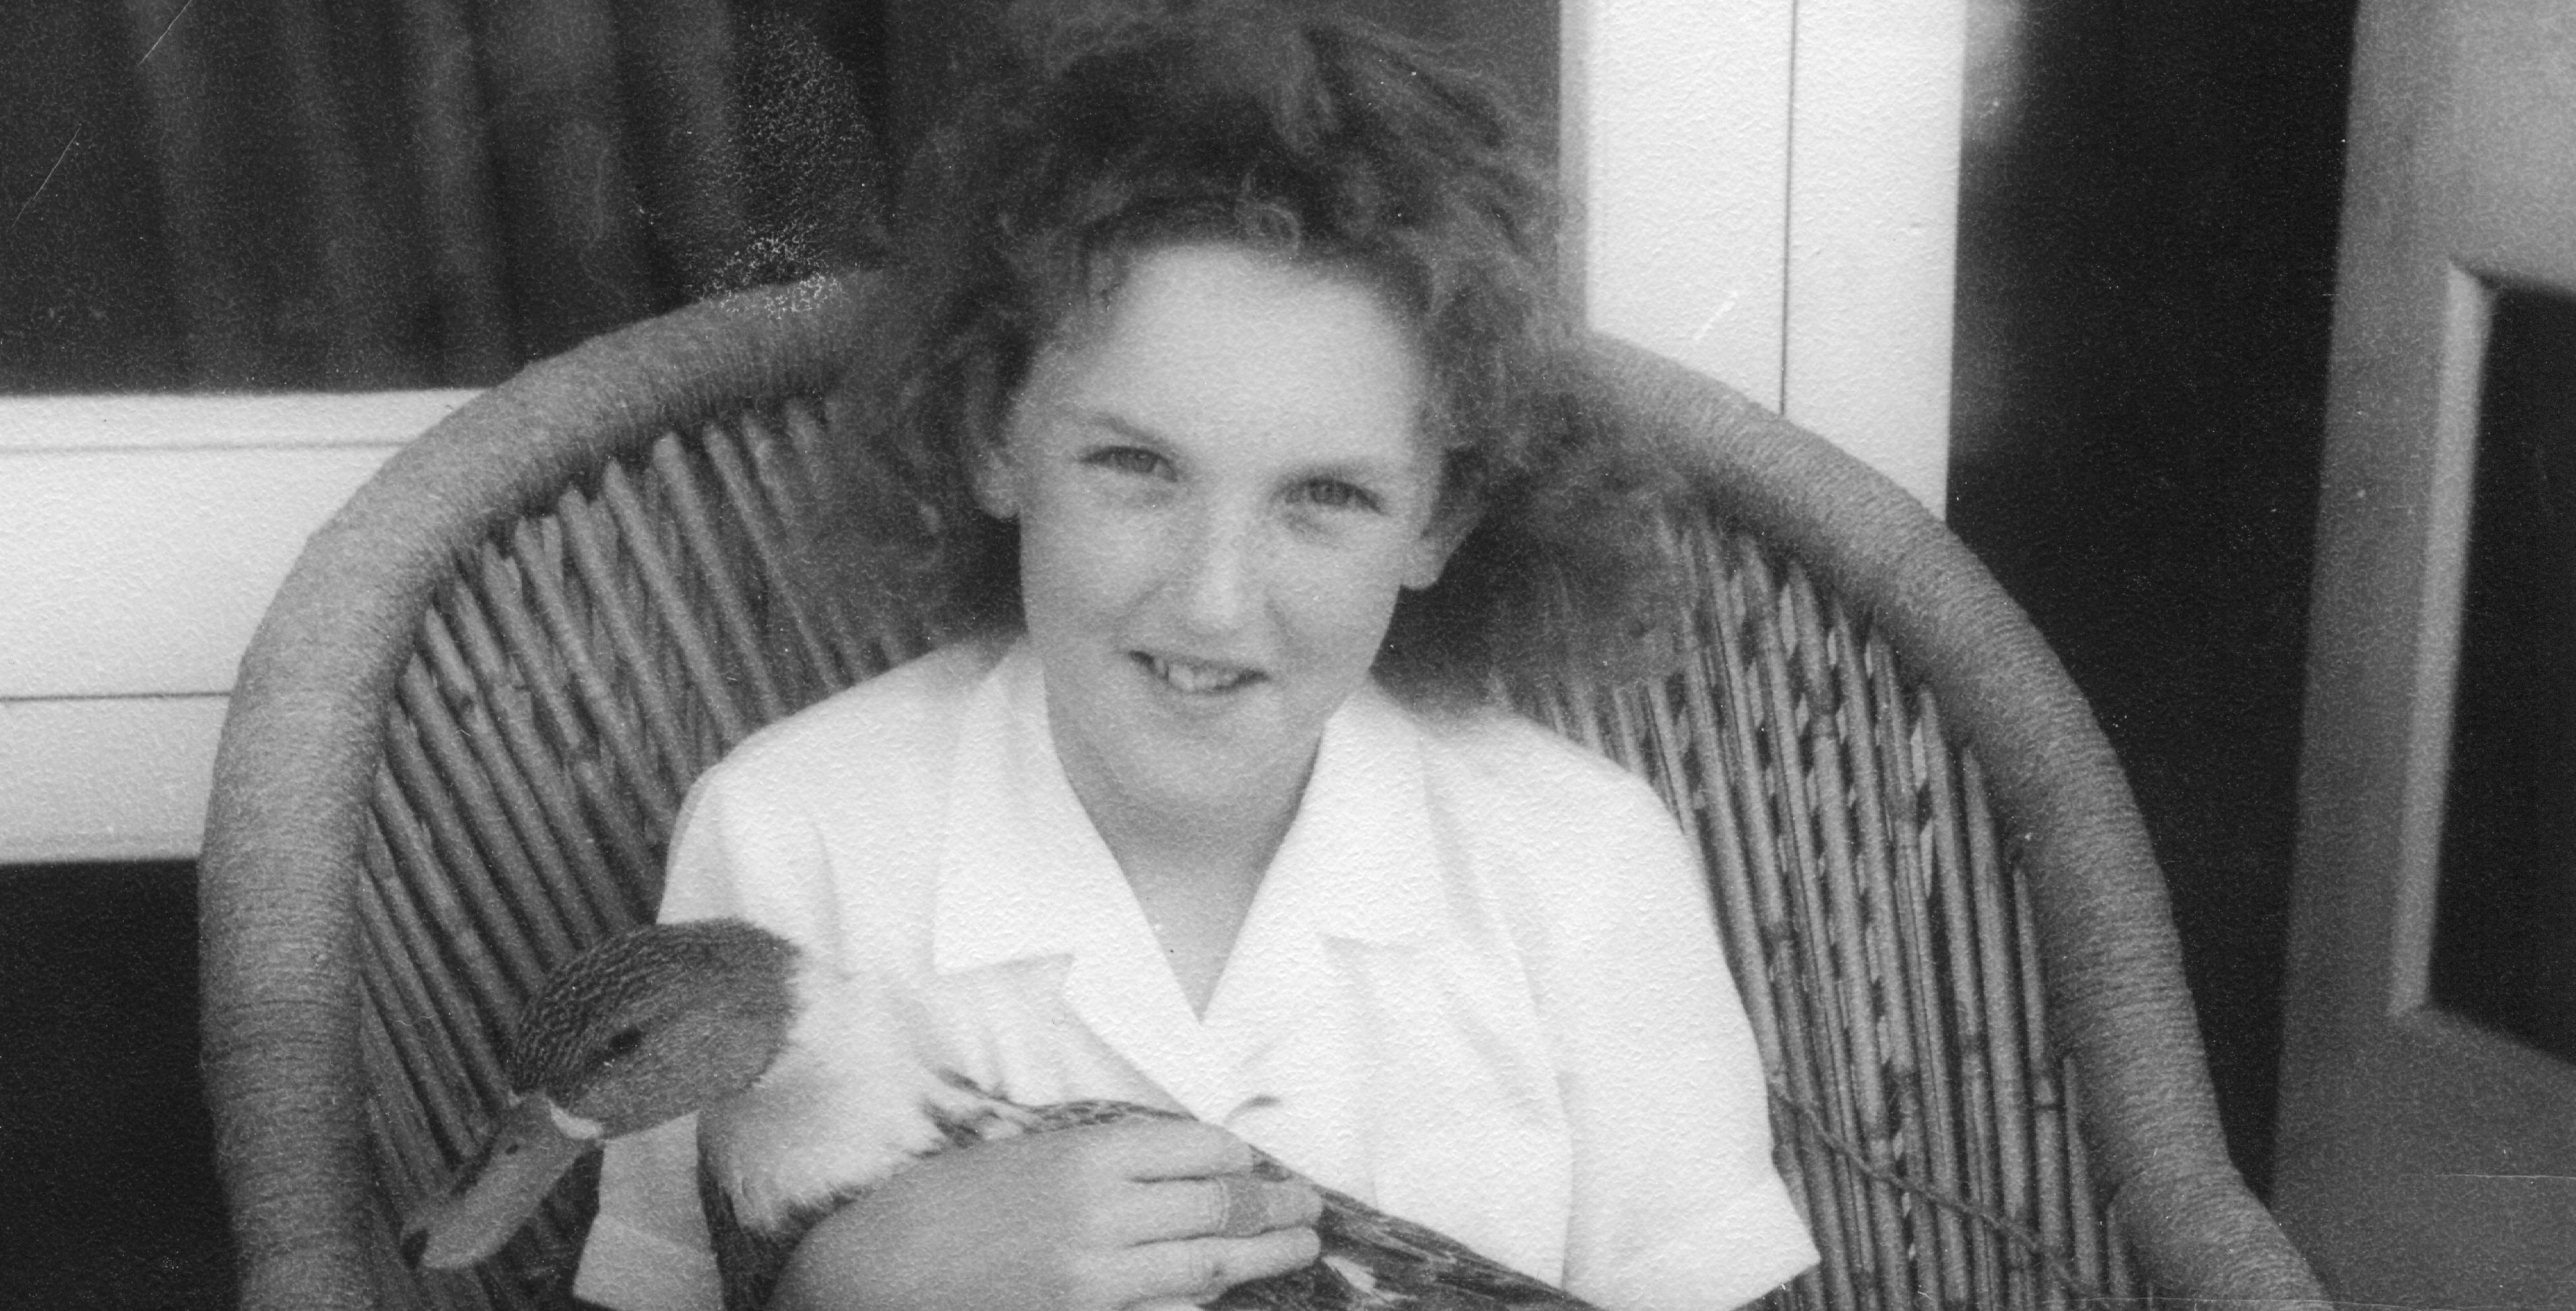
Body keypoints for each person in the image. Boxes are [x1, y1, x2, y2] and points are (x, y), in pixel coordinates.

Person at [575, 3, 1817, 1309]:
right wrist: (843, 1284)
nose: (1215, 604)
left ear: (1438, 519)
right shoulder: (789, 838)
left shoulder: (1580, 862)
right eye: (1136, 465)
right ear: (995, 439)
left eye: (1325, 495)